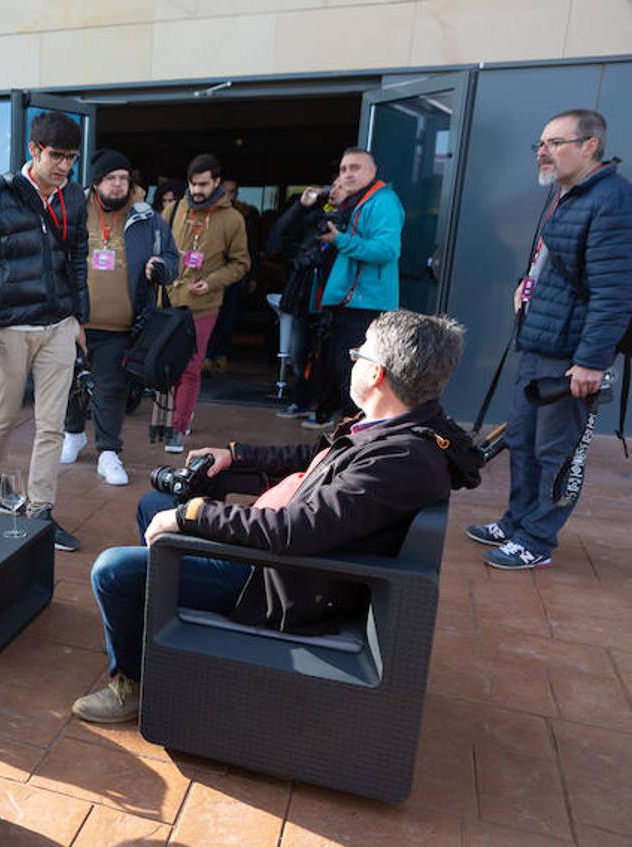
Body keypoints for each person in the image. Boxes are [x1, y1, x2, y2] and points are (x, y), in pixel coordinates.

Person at [71, 310, 482, 722]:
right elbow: (314, 457)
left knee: (113, 571)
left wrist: (194, 516)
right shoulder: (394, 428)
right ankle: (164, 636)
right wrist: (235, 456)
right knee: (153, 506)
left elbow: (295, 532)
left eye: (359, 353)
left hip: (282, 583)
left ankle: (133, 683)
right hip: (288, 562)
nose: (351, 359)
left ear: (377, 374)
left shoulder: (400, 458)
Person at [467, 108, 632, 570]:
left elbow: (615, 292)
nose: (543, 151)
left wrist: (592, 362)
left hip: (570, 355)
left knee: (556, 453)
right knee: (521, 440)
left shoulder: (612, 200)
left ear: (589, 146)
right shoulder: (564, 193)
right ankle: (517, 520)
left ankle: (537, 540)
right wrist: (528, 285)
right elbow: (557, 260)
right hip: (539, 343)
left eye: (555, 143)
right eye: (540, 143)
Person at [0, 111, 90, 551]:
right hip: (9, 327)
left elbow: (78, 262)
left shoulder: (73, 198)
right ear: (34, 150)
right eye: (57, 156)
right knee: (6, 414)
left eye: (72, 158)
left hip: (58, 326)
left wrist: (78, 320)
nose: (65, 166)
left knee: (52, 424)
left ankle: (40, 511)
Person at [60, 148, 179, 486]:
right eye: (111, 178)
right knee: (67, 382)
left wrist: (162, 267)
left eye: (123, 178)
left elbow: (172, 257)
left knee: (111, 388)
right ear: (96, 182)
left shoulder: (146, 217)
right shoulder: (75, 209)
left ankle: (108, 452)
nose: (118, 184)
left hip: (120, 324)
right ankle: (72, 434)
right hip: (74, 319)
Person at [305, 148, 404, 430]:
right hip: (348, 302)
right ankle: (351, 429)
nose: (347, 173)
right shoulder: (355, 203)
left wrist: (339, 240)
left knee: (356, 372)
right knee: (341, 368)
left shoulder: (382, 202)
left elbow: (386, 250)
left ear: (372, 172)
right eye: (344, 168)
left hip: (365, 304)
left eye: (355, 168)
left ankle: (360, 432)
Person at [160, 154, 251, 452]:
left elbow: (241, 263)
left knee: (190, 367)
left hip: (204, 303)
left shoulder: (232, 218)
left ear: (216, 182)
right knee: (169, 366)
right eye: (193, 183)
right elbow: (159, 250)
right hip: (170, 301)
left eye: (203, 184)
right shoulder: (173, 210)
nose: (197, 189)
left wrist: (211, 281)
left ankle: (178, 426)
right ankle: (178, 413)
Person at [268, 179, 349, 419]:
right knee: (298, 355)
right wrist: (301, 207)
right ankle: (302, 401)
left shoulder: (354, 221)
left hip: (336, 301)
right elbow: (277, 239)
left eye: (341, 187)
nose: (334, 191)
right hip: (305, 297)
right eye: (332, 186)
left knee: (328, 358)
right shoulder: (315, 219)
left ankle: (324, 409)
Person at [204, 179, 259, 374]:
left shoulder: (244, 216)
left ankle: (221, 355)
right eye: (225, 191)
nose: (228, 195)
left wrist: (252, 276)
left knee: (227, 318)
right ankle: (207, 356)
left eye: (232, 191)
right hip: (210, 273)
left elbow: (251, 248)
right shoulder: (209, 214)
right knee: (209, 316)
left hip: (234, 274)